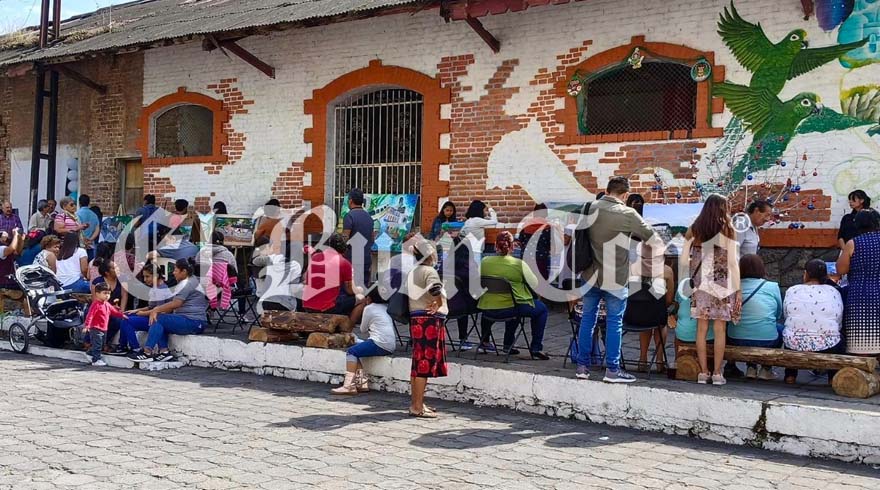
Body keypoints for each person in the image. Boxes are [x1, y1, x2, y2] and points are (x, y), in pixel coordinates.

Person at [576, 177, 656, 383]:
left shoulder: (588, 208)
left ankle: (582, 367)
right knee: (614, 322)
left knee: (587, 319)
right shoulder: (628, 214)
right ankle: (612, 370)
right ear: (626, 195)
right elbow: (651, 237)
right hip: (616, 277)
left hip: (589, 274)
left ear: (606, 190)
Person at [683, 193, 742, 385]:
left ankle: (703, 372)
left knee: (701, 329)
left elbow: (685, 257)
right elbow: (733, 263)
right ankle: (717, 373)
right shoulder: (728, 229)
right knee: (719, 329)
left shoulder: (695, 229)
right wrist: (738, 289)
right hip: (722, 284)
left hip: (700, 284)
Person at [477, 232, 550, 359]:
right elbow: (535, 284)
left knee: (510, 304)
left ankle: (487, 341)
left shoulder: (484, 261)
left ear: (495, 245)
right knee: (541, 309)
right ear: (513, 246)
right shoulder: (518, 264)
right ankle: (535, 347)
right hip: (511, 307)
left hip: (487, 308)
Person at [127, 258, 207, 363]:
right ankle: (164, 351)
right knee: (161, 320)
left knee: (159, 318)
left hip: (194, 322)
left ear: (184, 271)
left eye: (176, 270)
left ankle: (147, 352)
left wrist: (156, 310)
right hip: (190, 320)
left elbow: (176, 303)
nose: (173, 273)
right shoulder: (191, 280)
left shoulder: (187, 283)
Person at [782, 259, 844, 384]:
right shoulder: (834, 291)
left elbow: (787, 315)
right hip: (828, 345)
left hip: (794, 344)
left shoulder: (792, 290)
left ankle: (790, 376)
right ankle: (832, 377)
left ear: (806, 274)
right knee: (839, 338)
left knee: (790, 332)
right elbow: (838, 320)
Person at [407, 240, 448, 418]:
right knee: (424, 364)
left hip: (416, 318)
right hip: (427, 320)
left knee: (418, 363)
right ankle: (417, 406)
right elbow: (435, 289)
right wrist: (440, 303)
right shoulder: (429, 271)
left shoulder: (413, 271)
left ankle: (416, 403)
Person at [725, 254, 782, 380]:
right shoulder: (772, 286)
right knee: (780, 329)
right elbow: (778, 313)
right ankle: (766, 368)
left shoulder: (734, 287)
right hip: (767, 340)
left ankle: (750, 367)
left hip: (736, 338)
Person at [331, 286, 396, 395]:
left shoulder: (369, 308)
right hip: (390, 344)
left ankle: (349, 385)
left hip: (379, 343)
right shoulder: (386, 308)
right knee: (356, 351)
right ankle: (362, 384)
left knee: (351, 352)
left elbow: (362, 329)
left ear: (369, 298)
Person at [624, 243, 674, 373]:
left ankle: (642, 359)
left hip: (632, 316)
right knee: (660, 320)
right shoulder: (667, 271)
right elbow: (669, 300)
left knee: (645, 312)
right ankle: (659, 360)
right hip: (655, 317)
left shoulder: (632, 268)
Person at [837, 209, 880, 355]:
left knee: (862, 340)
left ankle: (862, 365)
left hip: (860, 295)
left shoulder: (853, 243)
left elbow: (841, 269)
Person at [303, 233, 365, 323]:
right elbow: (350, 290)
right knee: (362, 299)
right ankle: (348, 327)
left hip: (307, 305)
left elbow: (308, 250)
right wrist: (359, 290)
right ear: (344, 249)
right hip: (326, 307)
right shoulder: (344, 263)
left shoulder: (315, 257)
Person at [438, 222, 479, 350]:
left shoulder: (443, 267)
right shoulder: (467, 268)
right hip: (462, 306)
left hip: (444, 303)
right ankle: (469, 339)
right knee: (474, 299)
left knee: (461, 296)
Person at [120, 263, 171, 354]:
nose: (145, 279)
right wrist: (136, 310)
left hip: (156, 321)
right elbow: (151, 307)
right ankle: (123, 346)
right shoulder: (155, 287)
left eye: (147, 276)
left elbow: (158, 310)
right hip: (151, 316)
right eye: (144, 277)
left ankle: (135, 348)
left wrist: (142, 313)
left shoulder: (161, 289)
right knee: (126, 315)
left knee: (126, 320)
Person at [252, 237, 302, 314]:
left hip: (266, 300)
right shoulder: (296, 266)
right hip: (284, 303)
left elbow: (255, 261)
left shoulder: (274, 258)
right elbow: (294, 288)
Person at [83, 282, 127, 367]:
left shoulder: (107, 304)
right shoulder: (95, 304)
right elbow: (90, 315)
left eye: (109, 293)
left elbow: (114, 312)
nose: (107, 295)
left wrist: (122, 315)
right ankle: (96, 360)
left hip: (104, 328)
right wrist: (87, 325)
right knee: (98, 344)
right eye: (105, 293)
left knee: (101, 344)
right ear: (97, 293)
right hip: (96, 328)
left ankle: (90, 353)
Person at [90, 258, 129, 353]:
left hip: (117, 309)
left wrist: (122, 310)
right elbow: (96, 300)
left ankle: (105, 342)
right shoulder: (97, 282)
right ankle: (92, 343)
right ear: (107, 272)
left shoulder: (123, 279)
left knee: (118, 320)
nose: (118, 269)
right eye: (114, 268)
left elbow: (124, 296)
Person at [518, 203, 561, 281]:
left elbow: (520, 241)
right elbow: (552, 246)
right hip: (540, 259)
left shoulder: (525, 225)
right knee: (541, 281)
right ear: (545, 213)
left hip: (525, 258)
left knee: (526, 280)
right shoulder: (548, 227)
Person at [342, 189, 374, 285]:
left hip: (352, 259)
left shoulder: (349, 216)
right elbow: (372, 238)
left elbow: (345, 238)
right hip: (366, 259)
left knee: (350, 288)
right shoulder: (369, 217)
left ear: (350, 201)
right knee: (363, 287)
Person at [76, 195, 101, 260]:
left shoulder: (76, 214)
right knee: (90, 263)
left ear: (79, 203)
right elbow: (97, 229)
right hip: (90, 244)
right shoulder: (94, 215)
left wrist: (83, 240)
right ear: (89, 203)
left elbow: (77, 228)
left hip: (80, 244)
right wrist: (91, 239)